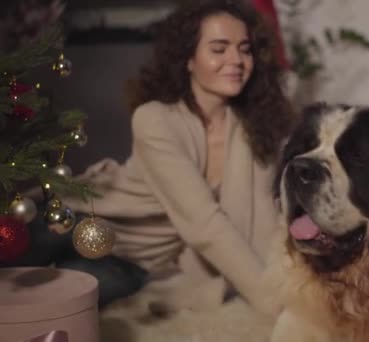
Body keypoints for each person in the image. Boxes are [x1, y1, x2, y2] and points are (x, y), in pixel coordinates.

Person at [22, 0, 295, 315]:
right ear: (189, 59)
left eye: (244, 49)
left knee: (63, 299)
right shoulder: (154, 119)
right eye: (219, 49)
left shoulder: (254, 129)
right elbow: (204, 224)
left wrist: (283, 292)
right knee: (16, 265)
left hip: (133, 259)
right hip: (86, 220)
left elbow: (263, 221)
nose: (236, 60)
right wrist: (271, 302)